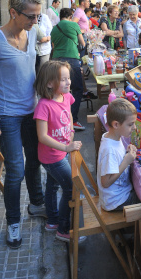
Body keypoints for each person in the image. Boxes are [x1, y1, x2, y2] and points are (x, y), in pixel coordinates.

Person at [0, 0, 46, 249]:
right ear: (13, 12)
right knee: (15, 172)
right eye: (30, 16)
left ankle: (36, 204)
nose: (35, 22)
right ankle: (13, 222)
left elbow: (31, 73)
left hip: (31, 112)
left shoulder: (31, 35)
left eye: (38, 16)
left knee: (34, 161)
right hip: (6, 116)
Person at [34, 61, 84, 242]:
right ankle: (63, 229)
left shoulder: (66, 97)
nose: (68, 82)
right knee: (71, 187)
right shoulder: (44, 106)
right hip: (51, 157)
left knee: (53, 185)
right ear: (49, 83)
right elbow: (42, 136)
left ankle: (52, 222)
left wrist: (70, 132)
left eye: (68, 78)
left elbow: (69, 115)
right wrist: (66, 147)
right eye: (63, 80)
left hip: (62, 152)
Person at [97, 99, 138, 211]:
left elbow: (115, 159)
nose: (134, 127)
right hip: (116, 201)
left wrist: (127, 152)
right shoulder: (109, 149)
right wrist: (126, 162)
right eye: (130, 124)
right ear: (116, 124)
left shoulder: (113, 137)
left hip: (119, 195)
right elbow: (105, 182)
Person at [51, 8, 86, 131]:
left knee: (58, 91)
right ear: (70, 16)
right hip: (71, 59)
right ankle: (73, 120)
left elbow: (53, 46)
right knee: (76, 89)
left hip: (56, 61)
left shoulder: (54, 29)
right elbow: (82, 43)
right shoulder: (74, 25)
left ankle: (57, 120)